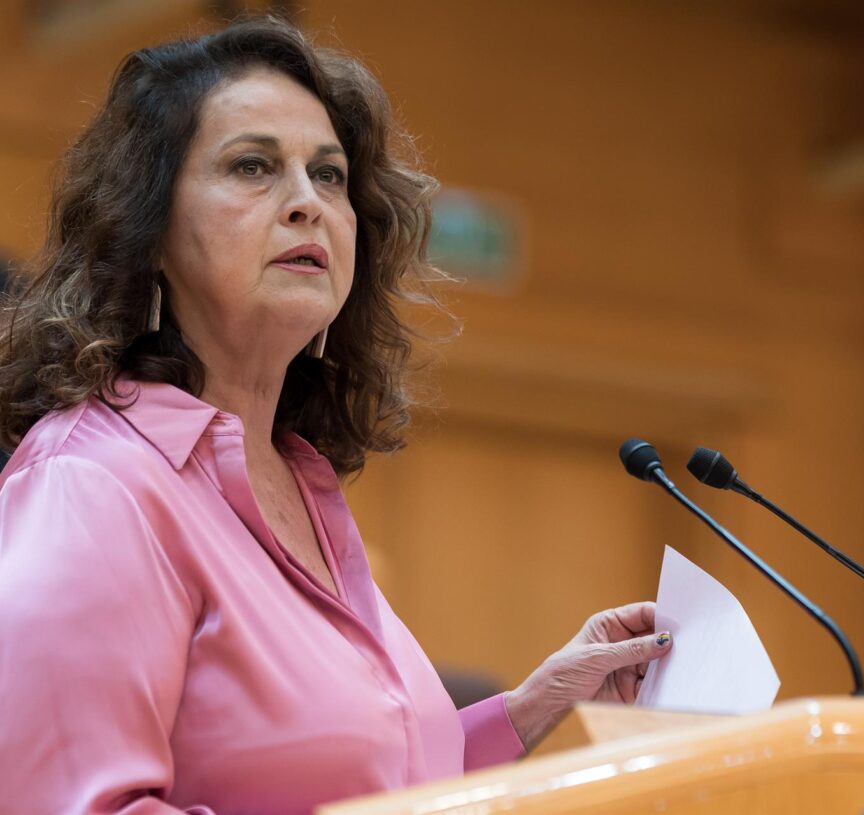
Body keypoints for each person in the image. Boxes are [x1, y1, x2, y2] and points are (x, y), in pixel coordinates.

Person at [0, 16, 671, 815]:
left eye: (329, 175)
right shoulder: (92, 482)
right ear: (150, 233)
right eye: (253, 166)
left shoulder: (298, 478)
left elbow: (365, 774)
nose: (306, 203)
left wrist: (533, 705)